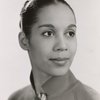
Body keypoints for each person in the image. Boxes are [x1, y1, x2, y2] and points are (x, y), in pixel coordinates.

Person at [8, 0, 100, 100]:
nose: (62, 45)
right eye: (48, 33)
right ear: (24, 41)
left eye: (70, 33)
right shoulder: (16, 98)